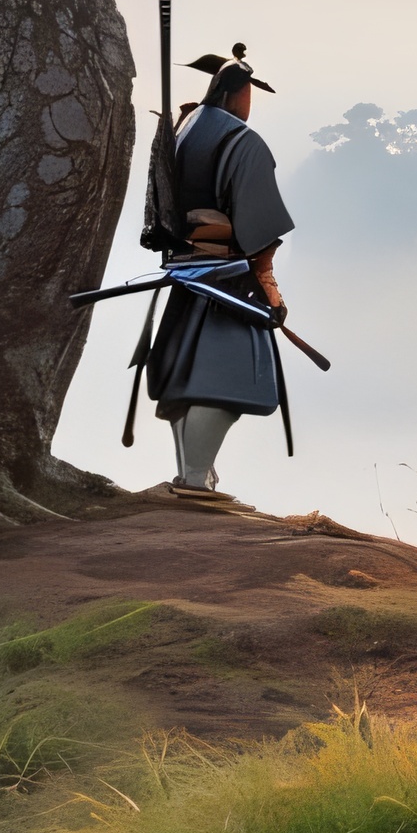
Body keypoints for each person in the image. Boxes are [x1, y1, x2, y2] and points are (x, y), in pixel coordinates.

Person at [144, 46, 295, 508]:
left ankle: (194, 474)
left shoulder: (185, 130)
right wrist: (267, 283)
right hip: (228, 277)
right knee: (223, 379)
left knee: (185, 373)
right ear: (237, 91)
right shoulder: (240, 141)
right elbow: (260, 228)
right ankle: (192, 479)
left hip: (185, 270)